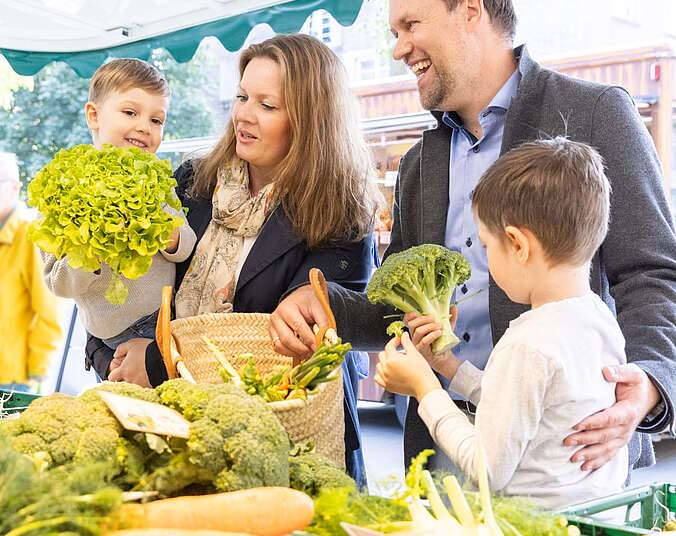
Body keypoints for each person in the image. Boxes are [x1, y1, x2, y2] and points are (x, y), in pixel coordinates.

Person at [270, 0, 676, 481]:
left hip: (569, 452)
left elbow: (652, 271)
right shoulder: (421, 162)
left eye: (411, 25)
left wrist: (651, 380)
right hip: (442, 443)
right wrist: (324, 305)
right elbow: (399, 305)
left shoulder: (595, 112)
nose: (399, 48)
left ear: (470, 10)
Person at [83, 35, 381, 485]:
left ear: (311, 119)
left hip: (281, 454)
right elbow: (112, 289)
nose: (243, 114)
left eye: (267, 104)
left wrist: (158, 362)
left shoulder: (340, 214)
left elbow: (282, 347)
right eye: (242, 97)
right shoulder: (191, 183)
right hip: (177, 435)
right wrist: (107, 357)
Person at [375, 138, 627, 508]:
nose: (487, 258)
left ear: (518, 244)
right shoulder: (598, 320)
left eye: (486, 245)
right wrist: (449, 367)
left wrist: (426, 389)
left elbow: (486, 467)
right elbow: (522, 407)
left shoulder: (527, 343)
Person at [41, 59, 197, 352]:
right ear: (94, 116)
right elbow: (58, 283)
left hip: (169, 316)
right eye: (130, 112)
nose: (144, 127)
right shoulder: (62, 188)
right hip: (114, 336)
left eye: (156, 120)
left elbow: (186, 245)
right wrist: (93, 250)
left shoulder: (157, 180)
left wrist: (169, 234)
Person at [0, 152, 62, 392]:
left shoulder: (29, 234)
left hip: (11, 378)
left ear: (15, 188)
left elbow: (48, 312)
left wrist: (35, 372)